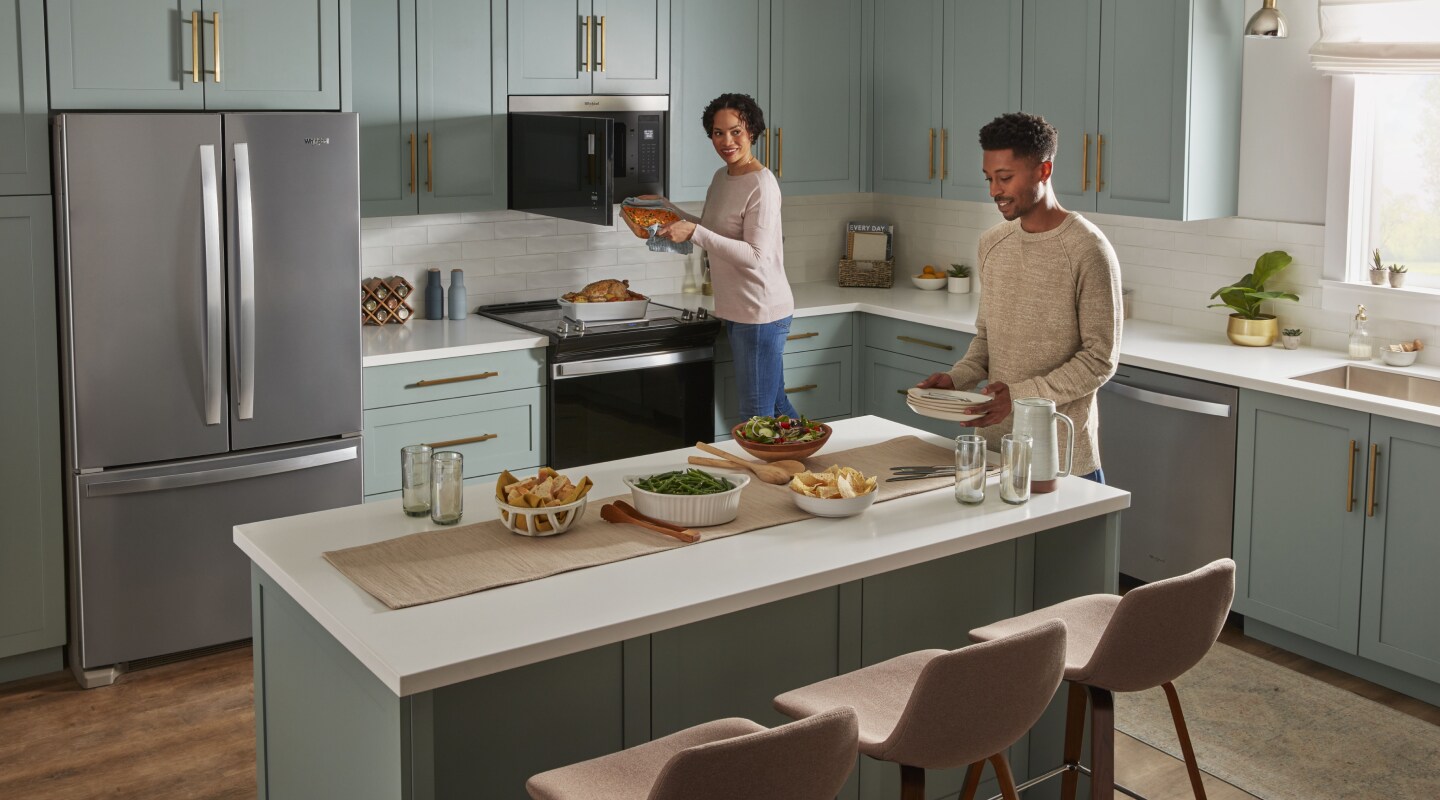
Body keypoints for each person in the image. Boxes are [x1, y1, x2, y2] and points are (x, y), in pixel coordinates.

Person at [917, 112, 1121, 483]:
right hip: (992, 452)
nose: (994, 190)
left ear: (1044, 171)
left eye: (1005, 178)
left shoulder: (1088, 249)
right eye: (989, 178)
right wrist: (956, 379)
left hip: (1060, 459)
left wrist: (1020, 396)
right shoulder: (992, 244)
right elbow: (986, 340)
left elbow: (1099, 360)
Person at [626, 93, 798, 421]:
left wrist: (693, 232)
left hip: (760, 312)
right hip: (738, 309)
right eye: (718, 133)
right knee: (776, 409)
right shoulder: (722, 177)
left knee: (756, 417)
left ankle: (789, 469)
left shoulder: (762, 184)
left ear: (752, 131)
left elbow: (756, 256)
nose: (727, 141)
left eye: (735, 131)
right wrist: (668, 209)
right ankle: (810, 465)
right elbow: (714, 230)